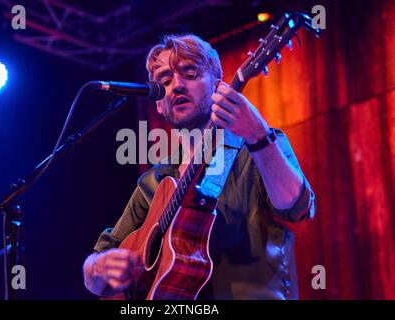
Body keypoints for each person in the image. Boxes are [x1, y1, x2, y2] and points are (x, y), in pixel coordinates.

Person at [82, 34, 315, 300]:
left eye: (189, 74)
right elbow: (96, 273)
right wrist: (99, 267)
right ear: (158, 103)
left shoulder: (255, 147)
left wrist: (258, 136)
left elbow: (298, 212)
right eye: (165, 81)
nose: (176, 86)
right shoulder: (153, 182)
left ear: (219, 88)